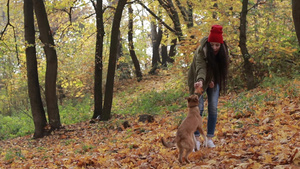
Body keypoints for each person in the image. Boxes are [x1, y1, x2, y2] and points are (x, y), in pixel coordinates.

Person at [188, 25, 229, 148]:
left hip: (214, 80)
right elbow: (201, 68)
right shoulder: (202, 50)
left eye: (217, 45)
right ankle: (196, 139)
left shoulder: (224, 51)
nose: (214, 48)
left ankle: (209, 138)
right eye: (212, 45)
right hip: (198, 79)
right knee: (197, 108)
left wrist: (214, 80)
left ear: (221, 44)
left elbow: (222, 69)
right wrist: (201, 81)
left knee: (213, 107)